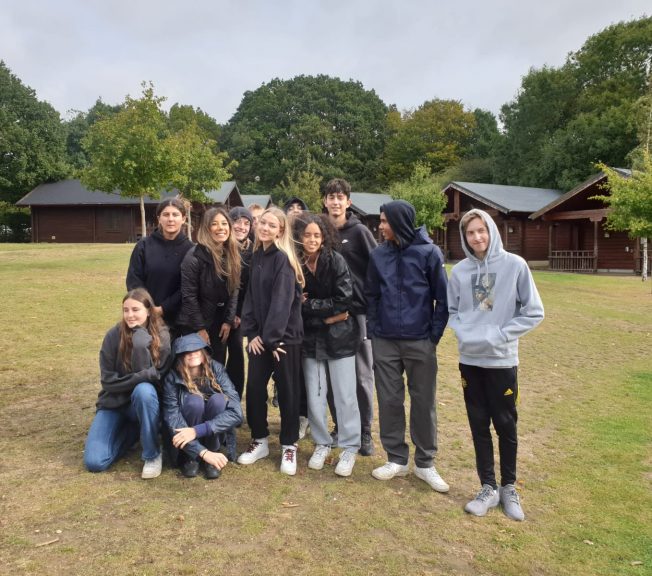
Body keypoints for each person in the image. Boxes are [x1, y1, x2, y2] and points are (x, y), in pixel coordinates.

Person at [447, 209, 544, 521]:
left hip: (501, 361)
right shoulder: (460, 272)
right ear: (464, 238)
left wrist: (502, 334)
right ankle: (487, 486)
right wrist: (464, 333)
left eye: (481, 230)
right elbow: (451, 311)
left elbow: (533, 311)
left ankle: (509, 487)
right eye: (470, 233)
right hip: (470, 361)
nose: (477, 237)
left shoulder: (515, 266)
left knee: (505, 424)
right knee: (478, 424)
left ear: (491, 230)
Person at [366, 200, 449, 492]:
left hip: (420, 342)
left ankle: (425, 463)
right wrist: (374, 332)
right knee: (389, 401)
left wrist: (432, 337)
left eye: (385, 221)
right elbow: (372, 296)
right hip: (385, 341)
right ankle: (396, 459)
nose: (380, 226)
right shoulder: (378, 255)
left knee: (423, 403)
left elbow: (443, 299)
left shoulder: (429, 253)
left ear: (400, 222)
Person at [238, 207, 305, 476]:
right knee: (254, 387)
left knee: (288, 391)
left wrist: (271, 339)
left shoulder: (282, 260)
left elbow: (282, 303)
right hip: (261, 340)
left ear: (281, 230)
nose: (265, 227)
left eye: (271, 224)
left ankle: (289, 444)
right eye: (262, 222)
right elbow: (251, 299)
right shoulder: (256, 257)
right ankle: (260, 439)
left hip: (284, 340)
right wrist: (252, 334)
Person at [294, 214, 361, 477]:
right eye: (307, 234)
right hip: (311, 337)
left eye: (316, 235)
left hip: (340, 338)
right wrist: (326, 315)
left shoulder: (336, 260)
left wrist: (309, 305)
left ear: (324, 237)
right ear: (300, 235)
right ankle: (322, 443)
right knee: (314, 394)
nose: (312, 239)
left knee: (345, 395)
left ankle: (349, 446)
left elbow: (344, 300)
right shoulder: (296, 263)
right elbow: (294, 301)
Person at [84, 288, 171, 479]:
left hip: (143, 403)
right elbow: (108, 382)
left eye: (135, 309)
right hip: (113, 403)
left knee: (144, 391)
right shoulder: (113, 336)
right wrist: (142, 376)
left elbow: (155, 382)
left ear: (149, 311)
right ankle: (133, 433)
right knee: (95, 462)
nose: (130, 315)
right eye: (126, 310)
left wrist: (140, 345)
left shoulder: (162, 336)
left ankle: (152, 454)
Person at [322, 178, 377, 455]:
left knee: (361, 375)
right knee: (333, 375)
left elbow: (375, 269)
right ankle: (340, 426)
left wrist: (367, 303)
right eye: (331, 197)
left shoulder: (360, 233)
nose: (335, 202)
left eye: (340, 197)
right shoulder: (319, 231)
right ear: (324, 201)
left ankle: (365, 432)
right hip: (329, 314)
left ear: (348, 202)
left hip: (358, 314)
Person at [162, 333, 243, 479]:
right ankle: (191, 457)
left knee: (218, 400)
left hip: (209, 432)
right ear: (179, 356)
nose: (192, 353)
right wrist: (202, 452)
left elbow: (236, 413)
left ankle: (214, 450)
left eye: (196, 349)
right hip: (187, 438)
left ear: (203, 351)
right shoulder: (172, 378)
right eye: (186, 351)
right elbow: (173, 419)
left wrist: (196, 431)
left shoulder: (217, 369)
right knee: (194, 402)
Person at [177, 206, 241, 364]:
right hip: (196, 324)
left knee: (217, 367)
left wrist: (228, 320)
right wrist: (200, 329)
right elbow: (189, 296)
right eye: (214, 224)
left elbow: (234, 289)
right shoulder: (193, 258)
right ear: (206, 228)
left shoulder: (231, 254)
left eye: (224, 223)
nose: (221, 228)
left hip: (219, 324)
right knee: (197, 369)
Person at [126, 198, 194, 335]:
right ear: (159, 218)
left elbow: (188, 286)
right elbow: (134, 280)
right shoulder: (143, 246)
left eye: (175, 215)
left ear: (183, 218)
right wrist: (148, 308)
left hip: (177, 320)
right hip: (145, 317)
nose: (170, 219)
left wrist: (163, 308)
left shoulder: (191, 250)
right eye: (166, 214)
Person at [226, 206, 254, 399]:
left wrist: (238, 313)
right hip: (217, 311)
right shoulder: (221, 245)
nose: (241, 227)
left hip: (239, 314)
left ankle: (235, 398)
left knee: (236, 354)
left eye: (246, 223)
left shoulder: (253, 250)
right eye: (237, 221)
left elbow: (249, 287)